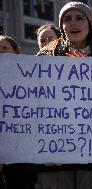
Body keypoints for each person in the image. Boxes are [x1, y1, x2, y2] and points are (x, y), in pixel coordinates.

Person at [36, 2, 92, 189]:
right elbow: (34, 104)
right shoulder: (44, 58)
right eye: (67, 19)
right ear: (61, 26)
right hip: (54, 158)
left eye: (79, 18)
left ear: (89, 23)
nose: (73, 24)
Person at [0, 35, 38, 189]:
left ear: (15, 52)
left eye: (4, 48)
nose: (1, 52)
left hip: (21, 154)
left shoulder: (27, 78)